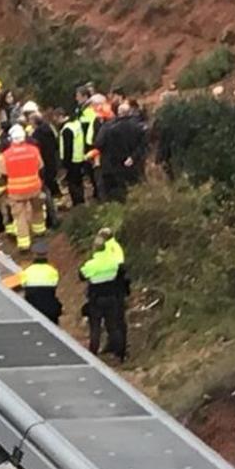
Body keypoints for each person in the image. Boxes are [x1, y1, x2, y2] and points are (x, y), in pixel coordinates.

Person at [80, 232, 128, 363]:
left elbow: (82, 275)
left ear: (95, 249)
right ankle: (120, 354)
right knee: (113, 326)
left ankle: (93, 353)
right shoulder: (113, 263)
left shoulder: (91, 264)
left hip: (96, 299)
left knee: (95, 327)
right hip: (111, 298)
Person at [0, 125, 45, 251]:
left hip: (16, 191)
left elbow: (3, 172)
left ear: (11, 139)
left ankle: (24, 244)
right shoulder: (34, 150)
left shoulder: (5, 155)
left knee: (20, 217)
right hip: (34, 187)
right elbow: (40, 166)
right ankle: (40, 233)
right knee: (37, 210)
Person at [94, 101, 148, 202]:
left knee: (118, 193)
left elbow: (99, 144)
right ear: (130, 112)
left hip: (114, 164)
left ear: (118, 113)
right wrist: (133, 157)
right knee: (137, 189)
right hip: (135, 163)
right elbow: (144, 144)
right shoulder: (138, 126)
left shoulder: (108, 128)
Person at [20, 243, 62, 323]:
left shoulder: (27, 271)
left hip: (32, 310)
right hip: (50, 311)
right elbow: (54, 286)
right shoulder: (53, 271)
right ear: (46, 254)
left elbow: (23, 286)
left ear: (34, 255)